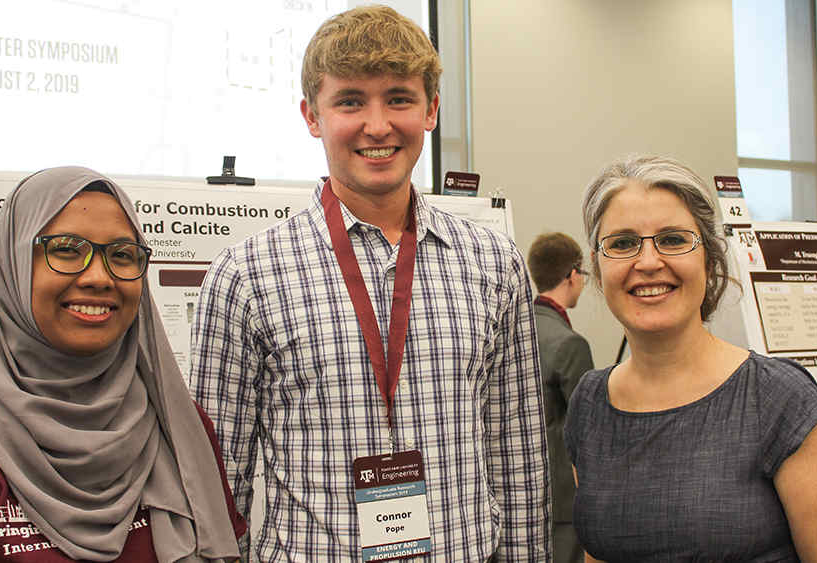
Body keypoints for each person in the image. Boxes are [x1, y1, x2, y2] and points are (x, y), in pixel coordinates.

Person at [189, 6, 550, 561]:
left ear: (431, 110)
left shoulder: (493, 263)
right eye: (350, 101)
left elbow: (518, 460)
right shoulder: (246, 276)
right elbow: (217, 486)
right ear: (313, 116)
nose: (377, 125)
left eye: (399, 99)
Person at [0, 166, 245, 561]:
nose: (99, 277)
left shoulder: (180, 430)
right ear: (15, 264)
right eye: (65, 249)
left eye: (123, 255)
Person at [565, 155, 817, 562]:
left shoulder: (779, 399)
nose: (649, 262)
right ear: (598, 271)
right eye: (622, 243)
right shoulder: (590, 405)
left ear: (709, 262)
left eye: (673, 239)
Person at [527, 232, 593, 563]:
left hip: (525, 489)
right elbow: (588, 432)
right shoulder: (570, 344)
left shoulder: (518, 331)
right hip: (565, 499)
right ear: (572, 274)